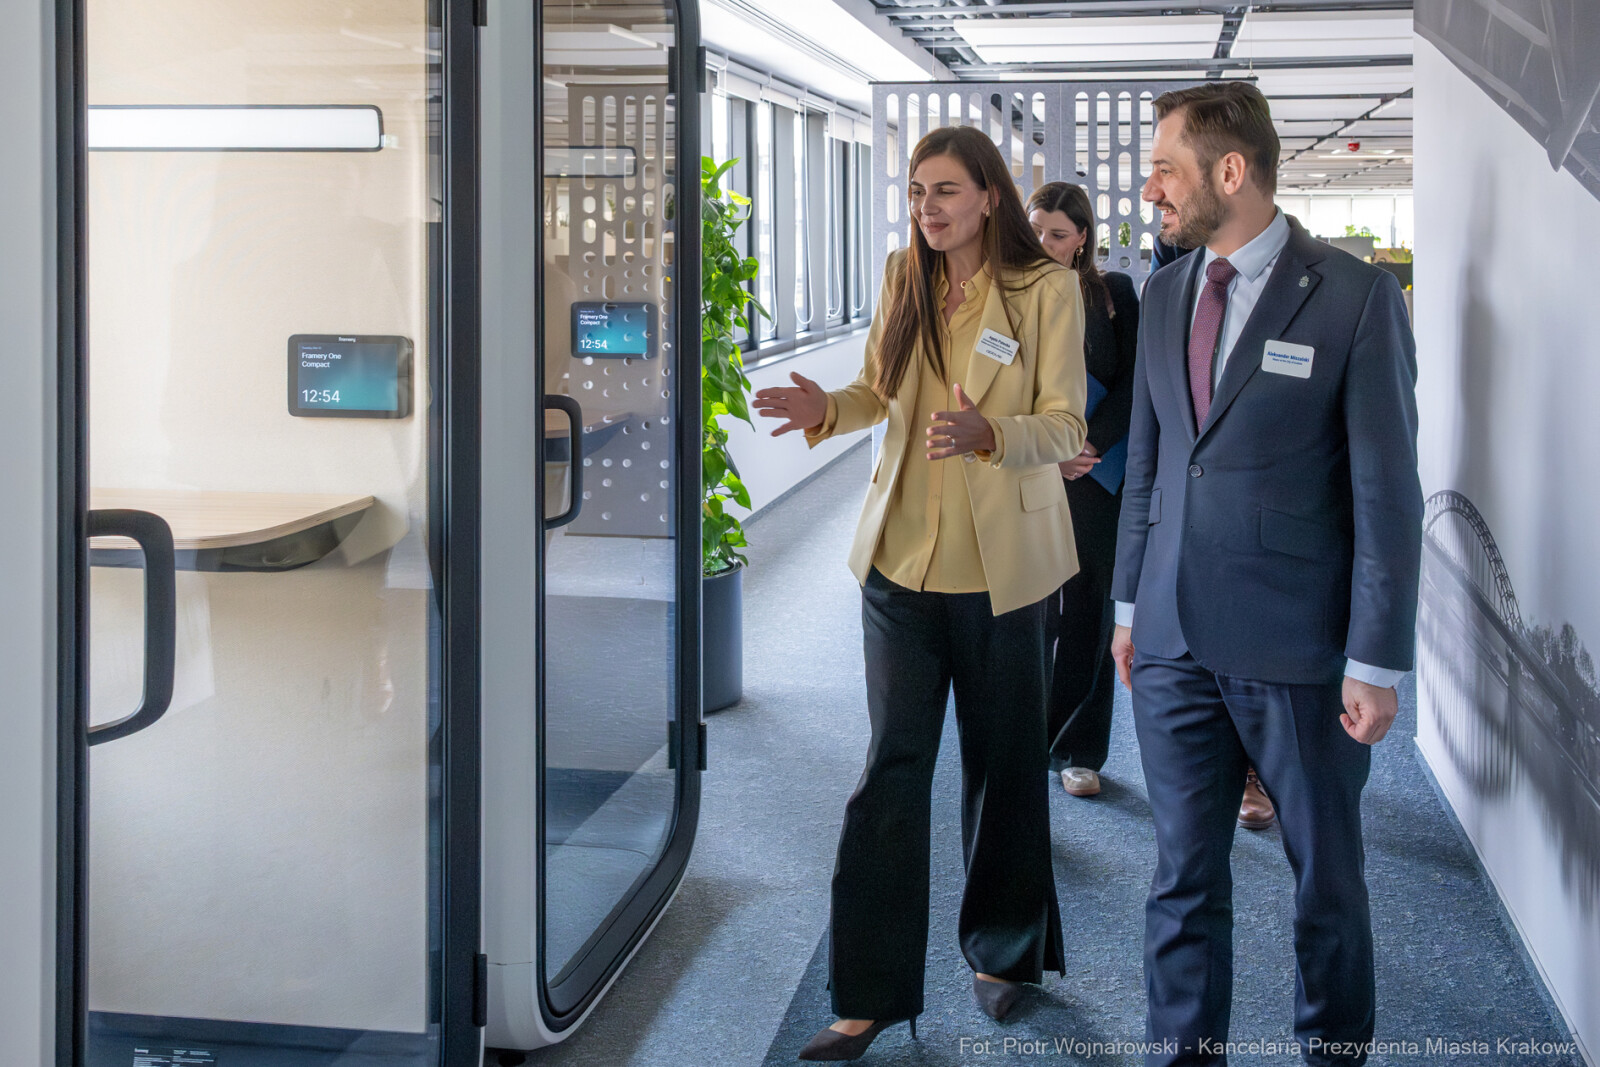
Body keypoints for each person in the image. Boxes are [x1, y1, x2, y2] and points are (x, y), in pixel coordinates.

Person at [753, 124, 1087, 1061]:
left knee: (1003, 762)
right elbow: (876, 391)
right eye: (915, 191)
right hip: (899, 564)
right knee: (890, 771)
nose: (926, 208)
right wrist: (828, 410)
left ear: (988, 195)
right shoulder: (905, 276)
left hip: (1003, 572)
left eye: (944, 190)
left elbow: (1066, 426)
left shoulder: (1044, 289)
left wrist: (992, 434)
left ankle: (1004, 951)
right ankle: (867, 993)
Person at [1109, 82, 1421, 1066]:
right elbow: (1150, 465)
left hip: (1299, 644)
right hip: (1170, 638)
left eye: (1166, 168)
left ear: (1231, 171)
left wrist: (1375, 658)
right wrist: (1128, 604)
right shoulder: (1164, 292)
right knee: (1180, 876)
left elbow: (1386, 492)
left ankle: (1333, 1051)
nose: (1151, 188)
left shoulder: (1355, 296)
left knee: (1324, 879)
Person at [1025, 182, 1139, 799]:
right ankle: (1025, 740)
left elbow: (1136, 381)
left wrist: (1084, 445)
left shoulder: (1113, 294)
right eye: (1035, 230)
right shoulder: (1005, 293)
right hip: (1031, 472)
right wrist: (1050, 452)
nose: (1044, 243)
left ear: (1082, 240)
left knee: (1090, 618)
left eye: (1058, 234)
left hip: (1097, 474)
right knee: (1031, 613)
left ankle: (1078, 748)